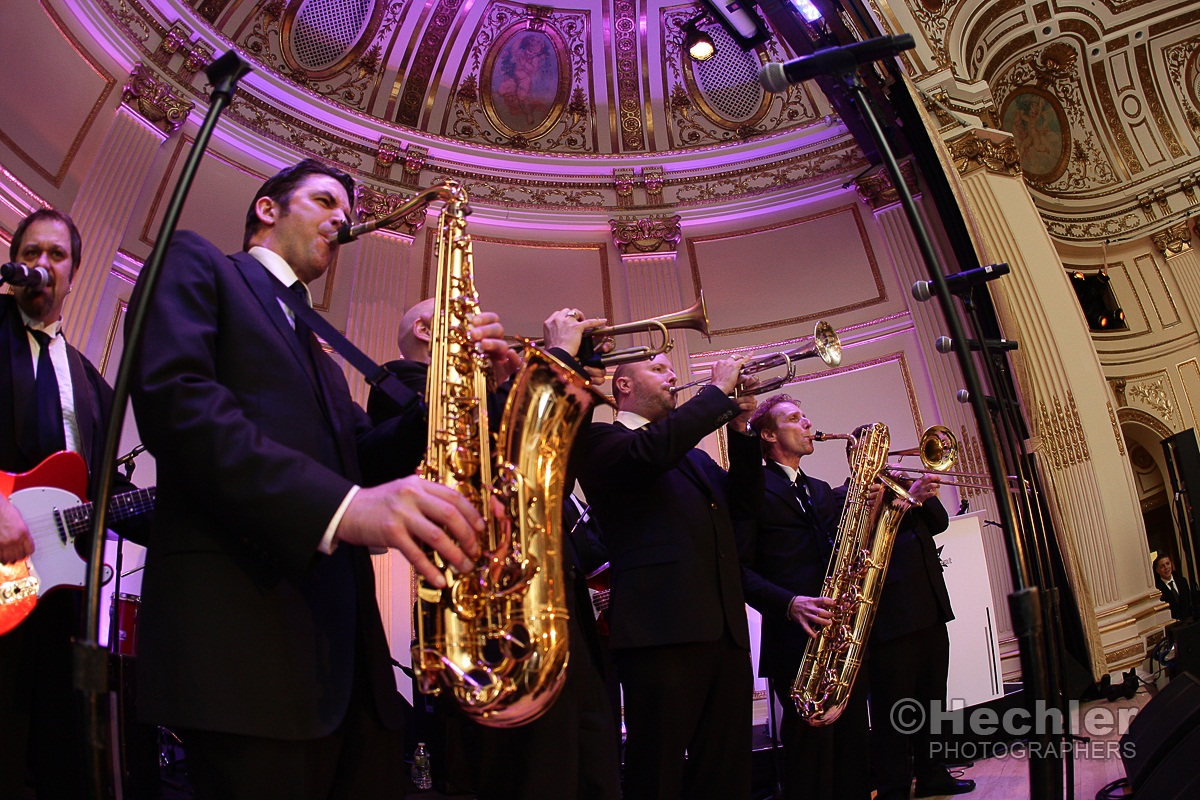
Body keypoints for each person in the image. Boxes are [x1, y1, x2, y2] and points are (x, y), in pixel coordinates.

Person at [126, 158, 512, 800]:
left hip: (345, 669)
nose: (344, 219)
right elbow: (180, 407)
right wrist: (342, 510)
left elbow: (367, 457)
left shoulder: (319, 349)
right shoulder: (197, 262)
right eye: (326, 201)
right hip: (245, 656)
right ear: (268, 208)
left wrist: (464, 385)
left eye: (347, 209)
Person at [368, 304, 623, 800]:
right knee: (534, 777)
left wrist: (571, 389)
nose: (491, 327)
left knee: (593, 774)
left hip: (557, 605)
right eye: (468, 315)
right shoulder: (400, 383)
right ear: (426, 330)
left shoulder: (497, 393)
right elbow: (465, 456)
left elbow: (545, 482)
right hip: (495, 618)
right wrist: (548, 364)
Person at [0, 208, 149, 799]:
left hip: (60, 594)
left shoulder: (87, 379)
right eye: (31, 252)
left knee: (53, 750)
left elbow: (111, 491)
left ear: (75, 273)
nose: (42, 265)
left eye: (55, 256)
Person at [576, 350, 759, 800]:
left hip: (723, 632)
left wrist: (740, 430)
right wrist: (715, 394)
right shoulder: (602, 439)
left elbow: (745, 505)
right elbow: (649, 455)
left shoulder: (693, 457)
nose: (673, 376)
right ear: (623, 386)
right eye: (658, 369)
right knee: (656, 771)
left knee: (726, 769)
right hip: (660, 633)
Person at [739, 393, 870, 800]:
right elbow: (738, 570)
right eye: (795, 418)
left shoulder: (818, 488)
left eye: (806, 416)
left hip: (840, 633)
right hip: (793, 639)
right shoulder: (752, 487)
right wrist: (789, 603)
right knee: (808, 752)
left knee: (852, 743)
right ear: (768, 434)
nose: (808, 423)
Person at [868, 465, 976, 798]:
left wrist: (920, 495)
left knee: (932, 702)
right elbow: (865, 543)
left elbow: (939, 524)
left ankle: (932, 774)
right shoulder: (851, 497)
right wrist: (905, 499)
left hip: (930, 611)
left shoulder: (903, 488)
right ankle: (894, 787)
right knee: (894, 709)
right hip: (892, 620)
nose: (882, 460)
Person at [1154, 555, 1196, 622]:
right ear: (1157, 570)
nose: (1166, 568)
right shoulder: (1157, 589)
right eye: (1162, 566)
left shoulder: (1182, 581)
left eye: (1168, 564)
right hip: (1173, 627)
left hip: (1189, 623)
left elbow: (1190, 602)